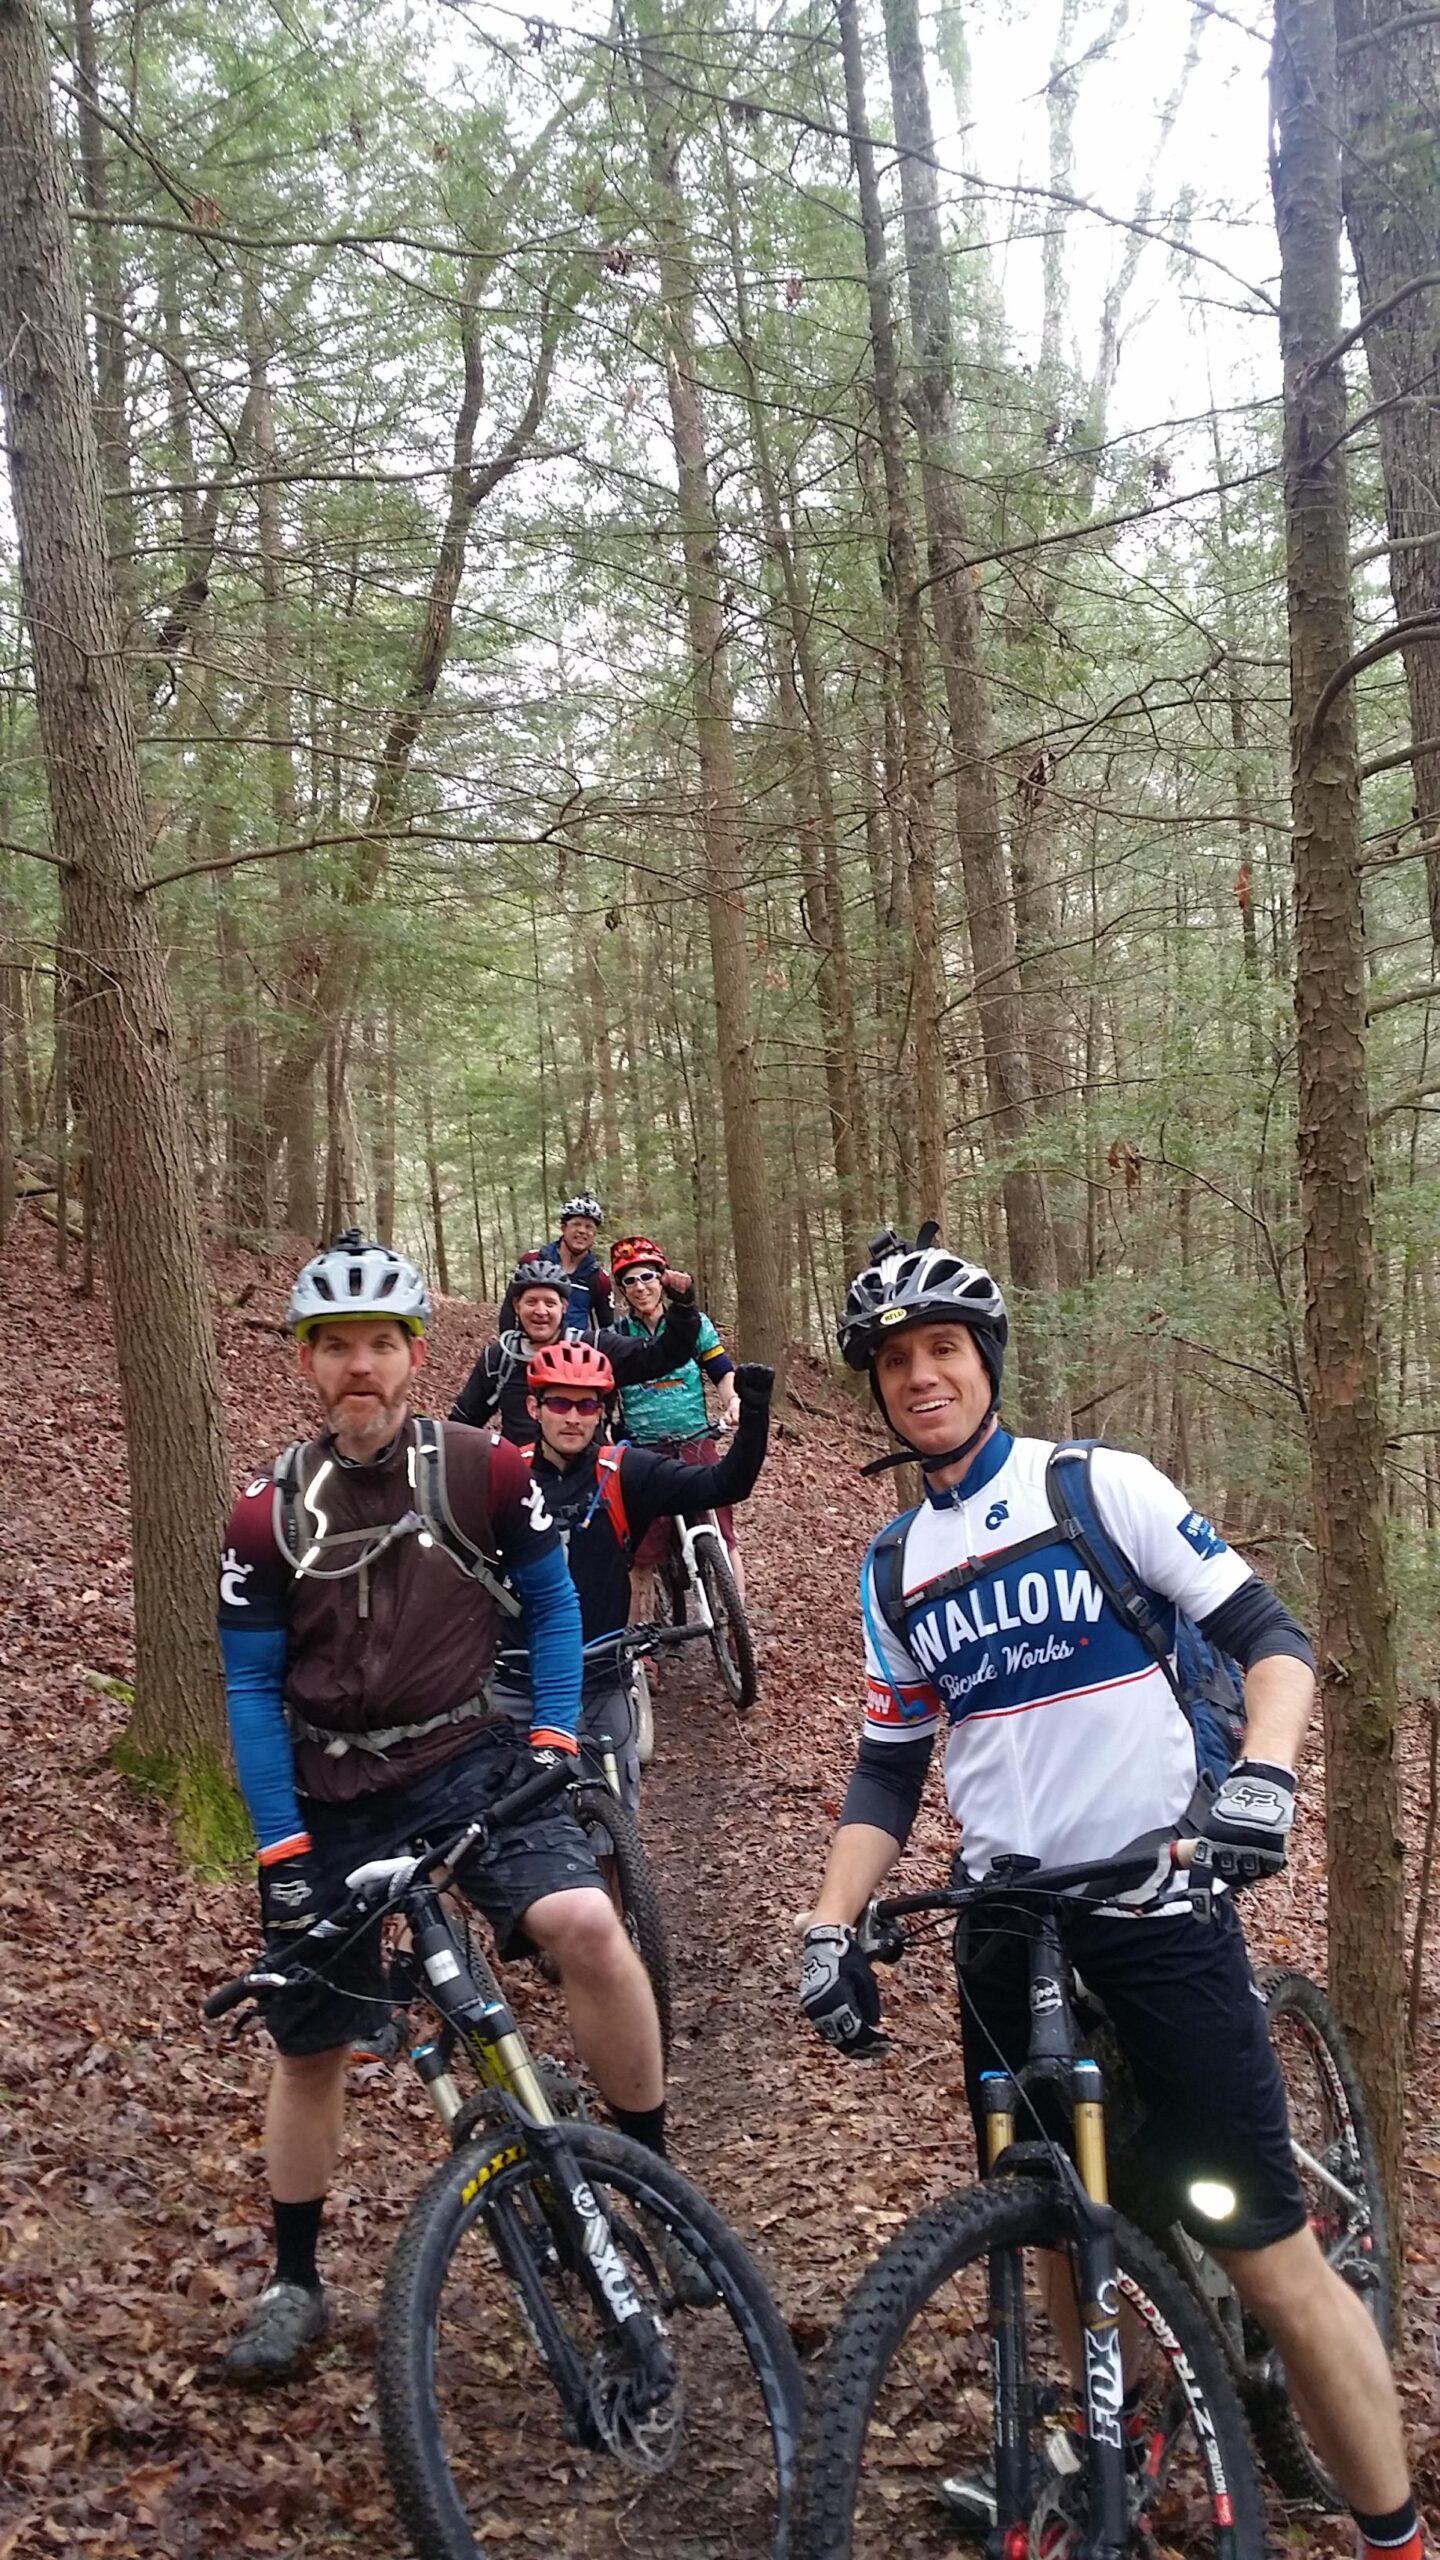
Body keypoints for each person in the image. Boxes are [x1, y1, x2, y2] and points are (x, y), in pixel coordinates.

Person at [796, 1227, 1423, 2560]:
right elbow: (887, 1768)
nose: (921, 1378)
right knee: (1049, 2217)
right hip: (1003, 1922)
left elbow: (1270, 1642)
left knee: (1266, 2250)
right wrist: (828, 1924)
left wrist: (1263, 1782)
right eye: (897, 1361)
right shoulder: (893, 1568)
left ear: (987, 1363)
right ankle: (1116, 2425)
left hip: (1159, 1900)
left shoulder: (1096, 1487)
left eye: (943, 1351)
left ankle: (1396, 2535)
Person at [215, 1231, 670, 2384]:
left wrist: (559, 1738)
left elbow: (554, 1605)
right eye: (335, 1347)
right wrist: (280, 1844)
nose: (358, 1366)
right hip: (333, 1794)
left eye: (380, 1343)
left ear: (413, 1355)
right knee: (312, 2045)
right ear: (306, 1363)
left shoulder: (485, 1469)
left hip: (473, 1759)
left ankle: (650, 2181)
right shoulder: (265, 1514)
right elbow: (251, 1688)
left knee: (590, 1927)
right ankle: (296, 2278)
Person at [491, 1338, 774, 1807]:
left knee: (614, 1829)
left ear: (602, 1411)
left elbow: (727, 1483)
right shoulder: (504, 1474)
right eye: (559, 1402)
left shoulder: (621, 1471)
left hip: (603, 1679)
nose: (573, 1416)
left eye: (587, 1405)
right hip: (519, 1685)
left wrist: (757, 1408)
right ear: (533, 1407)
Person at [608, 1235, 747, 1619]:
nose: (640, 1288)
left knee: (723, 1533)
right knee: (642, 1554)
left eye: (647, 1277)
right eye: (629, 1281)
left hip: (695, 1440)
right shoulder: (617, 1335)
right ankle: (642, 1643)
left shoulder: (693, 1324)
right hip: (644, 1450)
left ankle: (739, 1629)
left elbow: (720, 1369)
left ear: (663, 1279)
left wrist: (733, 1400)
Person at [452, 1253, 703, 1445]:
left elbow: (664, 1356)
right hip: (523, 1486)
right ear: (517, 1307)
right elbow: (462, 1424)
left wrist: (683, 1307)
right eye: (531, 1302)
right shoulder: (498, 1360)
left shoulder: (594, 1348)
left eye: (550, 1303)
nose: (540, 1311)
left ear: (564, 1307)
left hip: (590, 1483)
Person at [497, 1193, 611, 1336]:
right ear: (563, 1228)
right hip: (529, 1347)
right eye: (576, 1224)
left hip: (573, 1352)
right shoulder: (532, 1260)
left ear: (594, 1233)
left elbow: (607, 1326)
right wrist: (507, 1342)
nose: (582, 1231)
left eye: (589, 1227)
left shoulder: (599, 1277)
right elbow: (509, 1307)